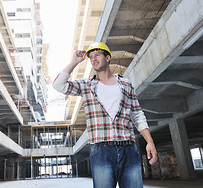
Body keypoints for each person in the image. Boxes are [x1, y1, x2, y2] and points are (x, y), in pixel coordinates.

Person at [52, 42, 157, 188]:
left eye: (97, 55)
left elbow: (138, 115)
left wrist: (150, 142)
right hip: (101, 151)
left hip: (128, 148)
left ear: (108, 58)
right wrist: (75, 61)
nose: (93, 59)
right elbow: (58, 85)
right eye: (91, 57)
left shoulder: (126, 84)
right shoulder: (86, 85)